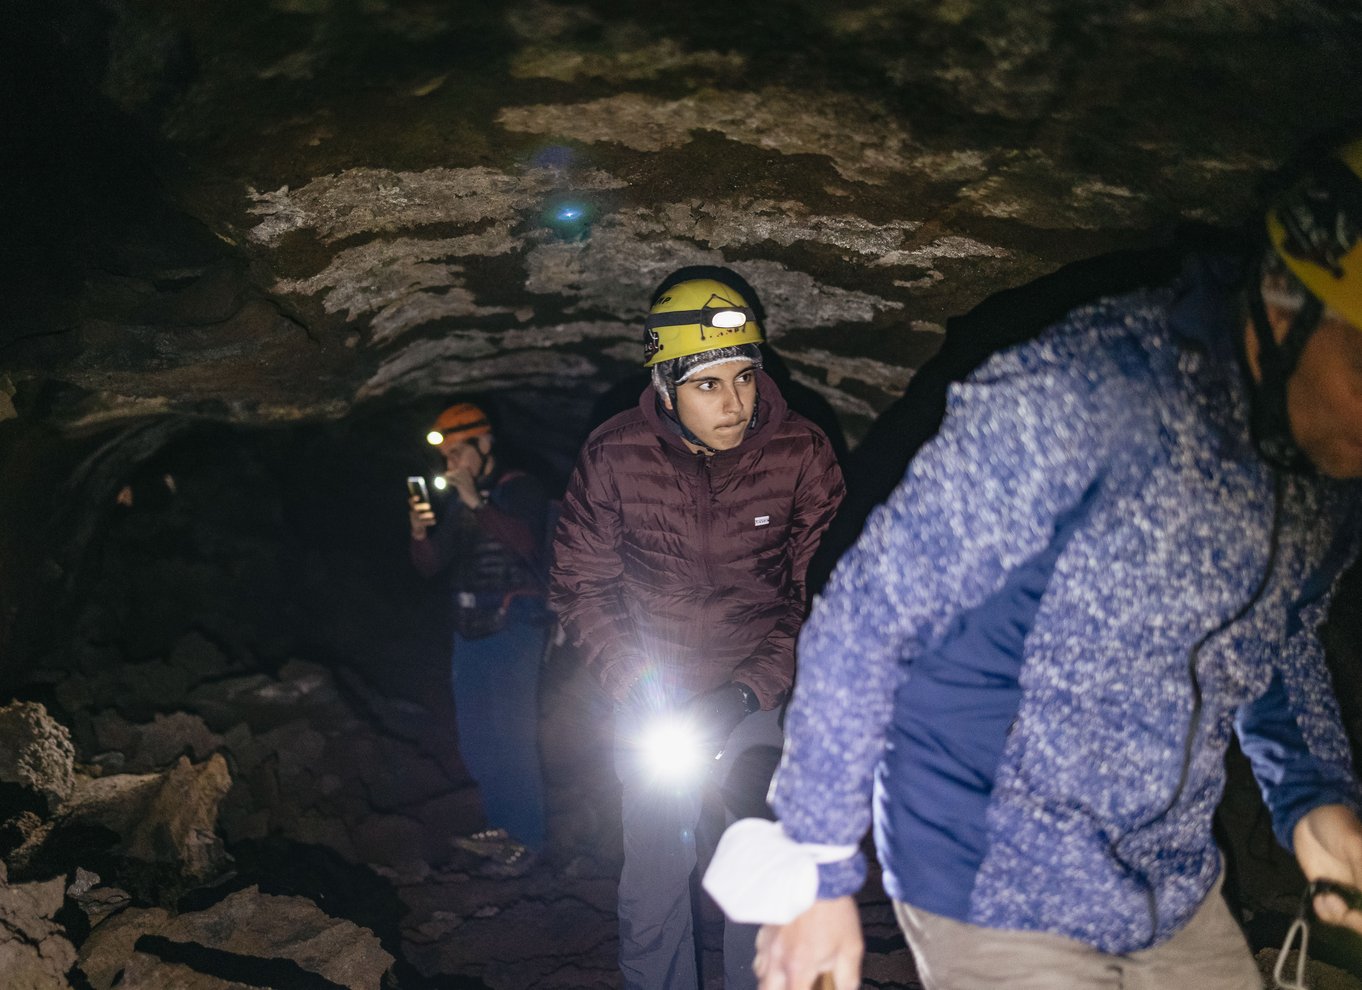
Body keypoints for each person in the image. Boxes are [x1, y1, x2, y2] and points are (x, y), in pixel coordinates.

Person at [728, 136, 1362, 989]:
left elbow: (1278, 634)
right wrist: (816, 866)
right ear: (1285, 307)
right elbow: (867, 615)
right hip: (987, 868)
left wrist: (1314, 797)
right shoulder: (1089, 391)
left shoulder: (1325, 471)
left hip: (1165, 879)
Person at [550, 275, 846, 990]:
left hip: (758, 697)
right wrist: (639, 691)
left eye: (744, 377)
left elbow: (821, 595)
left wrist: (747, 695)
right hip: (652, 701)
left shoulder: (802, 454)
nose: (736, 402)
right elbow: (581, 585)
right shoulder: (614, 454)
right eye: (709, 385)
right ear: (666, 385)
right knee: (653, 882)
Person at [409, 401, 552, 876]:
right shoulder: (462, 502)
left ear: (484, 444)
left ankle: (526, 840)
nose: (452, 464)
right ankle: (500, 828)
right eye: (446, 456)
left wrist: (474, 500)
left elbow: (526, 543)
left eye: (458, 453)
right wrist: (420, 534)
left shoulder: (521, 488)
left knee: (512, 736)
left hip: (515, 625)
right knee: (477, 740)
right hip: (468, 629)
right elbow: (431, 566)